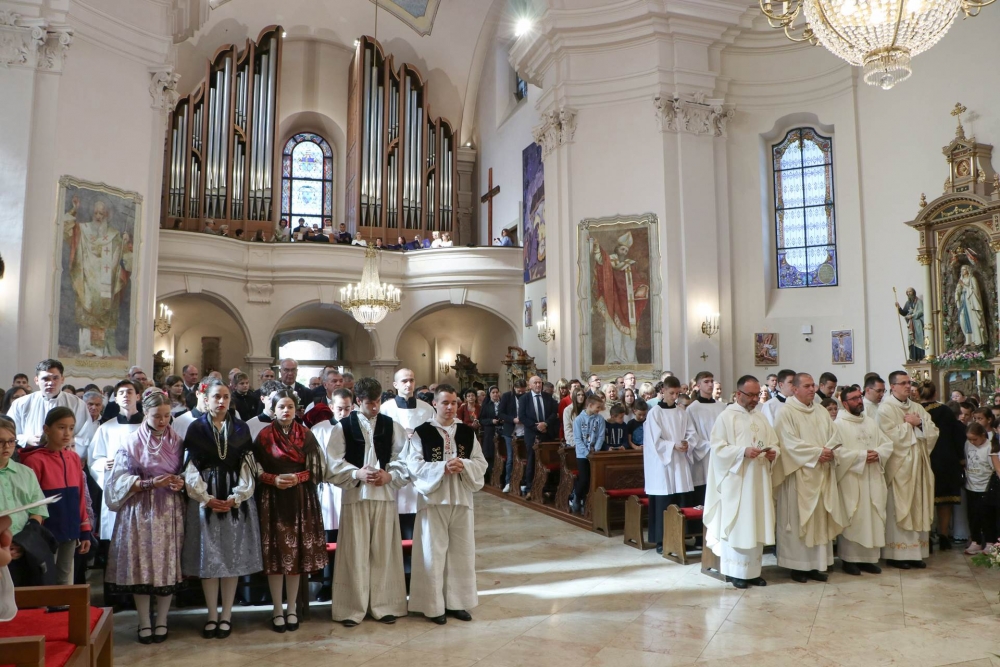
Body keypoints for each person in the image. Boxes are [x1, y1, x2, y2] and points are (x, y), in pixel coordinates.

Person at [322, 377, 409, 627]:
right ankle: (352, 608)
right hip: (355, 496)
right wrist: (355, 474)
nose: (375, 407)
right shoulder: (343, 427)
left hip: (384, 495)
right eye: (370, 402)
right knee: (354, 552)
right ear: (358, 401)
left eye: (378, 401)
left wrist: (389, 475)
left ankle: (384, 605)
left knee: (384, 551)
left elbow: (403, 457)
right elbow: (332, 463)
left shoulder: (391, 426)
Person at [181, 377, 263, 639]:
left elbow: (248, 466)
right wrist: (204, 497)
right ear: (206, 400)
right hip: (206, 496)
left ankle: (226, 614)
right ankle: (211, 615)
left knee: (231, 557)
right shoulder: (196, 428)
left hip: (233, 497)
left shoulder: (241, 428)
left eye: (226, 397)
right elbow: (190, 467)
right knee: (209, 557)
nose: (221, 401)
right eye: (216, 396)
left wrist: (237, 497)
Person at [104, 389, 186, 644]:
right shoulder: (131, 442)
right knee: (141, 566)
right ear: (145, 414)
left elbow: (187, 472)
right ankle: (143, 621)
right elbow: (117, 480)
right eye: (156, 416)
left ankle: (162, 620)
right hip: (139, 509)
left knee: (165, 565)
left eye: (166, 415)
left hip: (168, 509)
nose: (162, 421)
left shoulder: (178, 441)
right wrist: (149, 483)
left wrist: (180, 482)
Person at [404, 385, 488, 623]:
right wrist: (442, 467)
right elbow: (414, 465)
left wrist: (465, 465)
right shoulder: (422, 432)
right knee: (433, 552)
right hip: (433, 500)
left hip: (461, 499)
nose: (450, 407)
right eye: (445, 403)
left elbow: (480, 462)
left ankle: (457, 603)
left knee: (461, 553)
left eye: (453, 403)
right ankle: (433, 606)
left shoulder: (467, 432)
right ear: (435, 404)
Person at [253, 389, 327, 633]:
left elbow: (317, 469)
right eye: (281, 407)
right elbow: (254, 468)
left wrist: (298, 477)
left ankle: (292, 608)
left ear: (297, 409)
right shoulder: (264, 435)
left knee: (296, 555)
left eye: (290, 407)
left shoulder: (306, 434)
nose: (286, 411)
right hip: (272, 497)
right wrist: (272, 479)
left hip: (301, 498)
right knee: (275, 555)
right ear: (273, 410)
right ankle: (277, 609)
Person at [704, 375, 779, 589]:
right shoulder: (727, 417)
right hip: (736, 482)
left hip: (759, 479)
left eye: (757, 395)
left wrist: (773, 453)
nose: (755, 399)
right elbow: (717, 448)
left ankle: (753, 572)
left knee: (755, 523)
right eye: (751, 395)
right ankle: (735, 572)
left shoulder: (761, 417)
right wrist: (742, 452)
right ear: (738, 394)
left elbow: (774, 442)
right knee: (739, 524)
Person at [772, 373, 846, 583]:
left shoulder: (820, 411)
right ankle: (797, 566)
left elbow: (835, 434)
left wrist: (829, 451)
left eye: (813, 385)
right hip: (799, 475)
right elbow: (788, 443)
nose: (812, 389)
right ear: (795, 389)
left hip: (821, 473)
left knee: (819, 520)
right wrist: (817, 453)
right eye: (807, 386)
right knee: (798, 521)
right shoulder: (786, 412)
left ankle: (816, 565)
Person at [19, 407, 92, 585]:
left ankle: (65, 603)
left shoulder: (73, 458)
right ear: (46, 429)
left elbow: (80, 496)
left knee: (65, 578)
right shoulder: (34, 460)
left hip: (70, 528)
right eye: (61, 427)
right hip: (46, 531)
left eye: (71, 428)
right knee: (45, 578)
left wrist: (85, 529)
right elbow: (31, 500)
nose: (67, 433)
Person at [877, 371, 939, 568]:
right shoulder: (885, 409)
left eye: (909, 382)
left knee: (918, 505)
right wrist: (908, 426)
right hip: (899, 467)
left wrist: (918, 422)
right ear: (892, 386)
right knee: (899, 508)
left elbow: (933, 431)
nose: (907, 386)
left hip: (919, 464)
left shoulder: (917, 407)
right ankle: (897, 554)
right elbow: (886, 437)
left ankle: (915, 554)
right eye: (903, 383)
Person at [834, 385, 893, 576]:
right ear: (844, 403)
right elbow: (836, 452)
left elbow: (887, 444)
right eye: (854, 399)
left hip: (873, 476)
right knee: (854, 517)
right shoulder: (838, 424)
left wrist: (879, 453)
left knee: (873, 516)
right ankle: (849, 559)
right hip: (852, 479)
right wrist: (861, 456)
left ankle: (868, 559)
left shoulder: (870, 422)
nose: (859, 401)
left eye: (859, 397)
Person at [644, 377, 697, 553]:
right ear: (663, 391)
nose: (674, 397)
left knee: (680, 500)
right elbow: (653, 440)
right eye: (671, 393)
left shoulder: (682, 412)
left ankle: (680, 538)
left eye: (677, 393)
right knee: (664, 503)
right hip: (662, 465)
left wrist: (688, 443)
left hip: (680, 462)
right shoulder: (655, 413)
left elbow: (692, 433)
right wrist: (672, 446)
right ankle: (662, 540)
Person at [89, 380, 143, 550]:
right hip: (116, 487)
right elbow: (94, 459)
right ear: (116, 399)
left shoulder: (148, 426)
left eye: (130, 392)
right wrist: (103, 463)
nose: (125, 396)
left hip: (143, 486)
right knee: (116, 537)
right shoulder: (106, 428)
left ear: (138, 396)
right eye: (121, 393)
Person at [0, 419, 49, 587]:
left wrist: (24, 541)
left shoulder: (26, 473)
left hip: (24, 547)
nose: (6, 446)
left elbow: (38, 509)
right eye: (0, 441)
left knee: (27, 598)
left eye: (11, 441)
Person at [917, 381, 965, 551]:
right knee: (945, 500)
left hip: (924, 459)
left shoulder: (915, 410)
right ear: (935, 394)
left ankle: (928, 537)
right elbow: (957, 434)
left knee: (926, 500)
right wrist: (961, 459)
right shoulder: (945, 410)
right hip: (946, 459)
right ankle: (944, 535)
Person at [9, 359, 90, 448]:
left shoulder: (77, 404)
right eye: (45, 379)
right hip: (30, 453)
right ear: (36, 380)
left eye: (55, 378)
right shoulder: (21, 403)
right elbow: (9, 432)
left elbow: (85, 435)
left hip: (64, 453)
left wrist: (69, 440)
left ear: (62, 379)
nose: (51, 383)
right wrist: (26, 439)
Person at [686, 371, 725, 507]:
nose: (710, 384)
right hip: (702, 456)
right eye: (706, 382)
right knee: (703, 495)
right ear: (698, 386)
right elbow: (691, 434)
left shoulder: (722, 407)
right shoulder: (692, 409)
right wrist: (710, 445)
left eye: (711, 381)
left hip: (721, 453)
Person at [518, 375, 559, 496]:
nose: (538, 385)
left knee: (547, 459)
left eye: (540, 382)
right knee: (532, 460)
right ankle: (530, 488)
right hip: (532, 434)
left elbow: (554, 413)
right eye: (535, 383)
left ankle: (547, 487)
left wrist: (545, 424)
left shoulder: (548, 397)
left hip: (547, 433)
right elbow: (522, 416)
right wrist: (536, 427)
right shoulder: (524, 398)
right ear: (530, 385)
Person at [963, 422, 998, 555]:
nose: (972, 442)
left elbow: (994, 468)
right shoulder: (967, 444)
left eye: (975, 439)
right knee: (973, 516)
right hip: (971, 486)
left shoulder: (990, 447)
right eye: (970, 439)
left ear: (983, 435)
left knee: (987, 516)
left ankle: (989, 542)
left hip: (985, 487)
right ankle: (976, 541)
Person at [571, 395, 606, 514]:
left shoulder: (600, 419)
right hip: (582, 455)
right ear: (590, 405)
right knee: (584, 479)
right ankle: (577, 495)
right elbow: (577, 439)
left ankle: (586, 502)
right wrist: (586, 453)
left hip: (594, 454)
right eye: (598, 407)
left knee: (592, 479)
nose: (599, 410)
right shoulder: (578, 420)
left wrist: (595, 450)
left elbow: (601, 436)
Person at [477, 385, 503, 483]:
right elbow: (481, 420)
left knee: (501, 453)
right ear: (490, 394)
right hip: (490, 431)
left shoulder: (502, 403)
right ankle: (488, 476)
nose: (495, 394)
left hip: (502, 431)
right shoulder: (486, 405)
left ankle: (500, 477)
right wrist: (491, 421)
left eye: (497, 392)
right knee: (489, 454)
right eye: (493, 392)